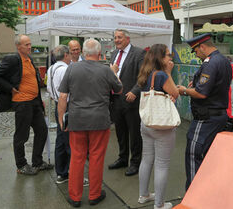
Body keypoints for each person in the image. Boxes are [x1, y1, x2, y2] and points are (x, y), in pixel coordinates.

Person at [58, 38, 122, 207]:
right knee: (96, 157)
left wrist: (60, 118)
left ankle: (75, 197)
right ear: (99, 54)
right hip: (99, 120)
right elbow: (119, 88)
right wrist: (114, 71)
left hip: (77, 119)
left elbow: (63, 96)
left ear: (84, 53)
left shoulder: (72, 69)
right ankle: (94, 194)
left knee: (77, 158)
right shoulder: (106, 70)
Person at [0, 34, 53, 175]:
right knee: (21, 136)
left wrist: (39, 100)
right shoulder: (13, 59)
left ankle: (37, 162)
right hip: (22, 102)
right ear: (18, 46)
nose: (29, 47)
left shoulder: (29, 59)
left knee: (42, 130)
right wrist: (10, 88)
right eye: (26, 45)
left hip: (34, 101)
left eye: (30, 44)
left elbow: (33, 81)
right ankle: (21, 165)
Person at [177, 33, 232, 190]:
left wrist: (185, 90)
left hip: (206, 118)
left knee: (193, 155)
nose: (196, 54)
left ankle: (194, 197)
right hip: (217, 116)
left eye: (195, 51)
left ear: (202, 46)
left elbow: (202, 93)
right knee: (209, 157)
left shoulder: (210, 63)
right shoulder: (223, 61)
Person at [137, 44, 179, 209]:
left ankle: (143, 195)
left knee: (146, 159)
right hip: (162, 125)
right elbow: (175, 92)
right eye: (168, 55)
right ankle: (159, 204)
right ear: (160, 57)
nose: (170, 58)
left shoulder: (145, 73)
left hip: (146, 122)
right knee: (162, 164)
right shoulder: (162, 75)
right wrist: (169, 73)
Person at [108, 29, 146, 177]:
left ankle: (135, 162)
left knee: (135, 133)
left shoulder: (139, 53)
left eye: (120, 37)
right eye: (115, 37)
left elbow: (144, 76)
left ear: (128, 39)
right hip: (116, 100)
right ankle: (122, 159)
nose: (117, 40)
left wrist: (135, 91)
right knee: (120, 132)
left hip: (131, 101)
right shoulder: (114, 54)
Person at [47, 45, 72, 184]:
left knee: (61, 139)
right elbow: (67, 92)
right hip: (66, 106)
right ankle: (69, 172)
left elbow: (50, 90)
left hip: (58, 104)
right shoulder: (64, 69)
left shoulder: (52, 68)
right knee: (69, 141)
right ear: (66, 55)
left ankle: (61, 172)